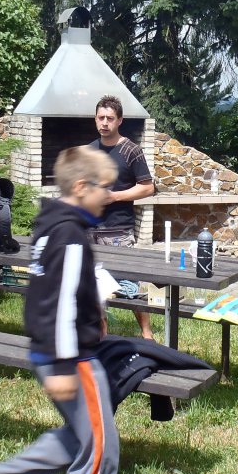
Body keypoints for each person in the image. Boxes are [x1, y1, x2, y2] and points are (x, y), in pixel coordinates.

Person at [0, 146, 119, 474]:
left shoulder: (51, 227)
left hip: (49, 351)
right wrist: (63, 365)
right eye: (104, 187)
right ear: (80, 187)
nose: (109, 195)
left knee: (78, 436)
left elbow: (51, 289)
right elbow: (59, 302)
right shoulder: (70, 234)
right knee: (101, 450)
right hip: (71, 359)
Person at [89, 94, 155, 339]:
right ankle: (102, 336)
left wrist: (115, 196)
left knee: (130, 285)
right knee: (95, 287)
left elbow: (147, 188)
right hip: (91, 230)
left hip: (118, 231)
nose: (105, 123)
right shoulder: (90, 151)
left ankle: (147, 334)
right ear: (95, 119)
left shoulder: (131, 151)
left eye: (110, 118)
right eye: (101, 118)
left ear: (120, 121)